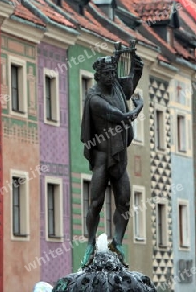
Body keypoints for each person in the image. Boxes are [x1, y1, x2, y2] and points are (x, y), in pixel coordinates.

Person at [80, 54, 144, 268]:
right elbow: (119, 115)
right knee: (96, 202)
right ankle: (90, 243)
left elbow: (129, 84)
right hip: (101, 157)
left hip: (119, 156)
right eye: (106, 74)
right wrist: (138, 106)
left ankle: (117, 242)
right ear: (98, 76)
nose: (110, 77)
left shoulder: (115, 88)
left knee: (124, 201)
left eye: (112, 73)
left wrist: (137, 68)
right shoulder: (93, 98)